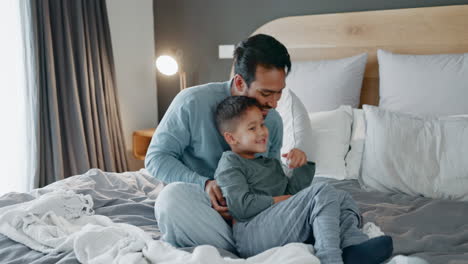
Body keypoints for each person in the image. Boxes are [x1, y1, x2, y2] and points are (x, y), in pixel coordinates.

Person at [145, 34, 307, 253]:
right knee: (170, 199)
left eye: (279, 93)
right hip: (199, 203)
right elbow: (156, 158)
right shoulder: (192, 102)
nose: (274, 103)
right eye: (266, 93)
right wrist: (204, 184)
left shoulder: (273, 121)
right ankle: (248, 252)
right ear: (240, 82)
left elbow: (270, 179)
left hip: (248, 214)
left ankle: (233, 251)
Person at [213, 95, 393, 264]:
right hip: (251, 235)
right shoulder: (230, 162)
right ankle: (329, 258)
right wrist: (281, 200)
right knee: (322, 190)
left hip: (277, 226)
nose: (262, 132)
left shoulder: (269, 163)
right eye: (253, 128)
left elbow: (296, 198)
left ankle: (352, 247)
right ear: (231, 137)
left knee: (341, 197)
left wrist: (301, 166)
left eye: (262, 124)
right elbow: (241, 207)